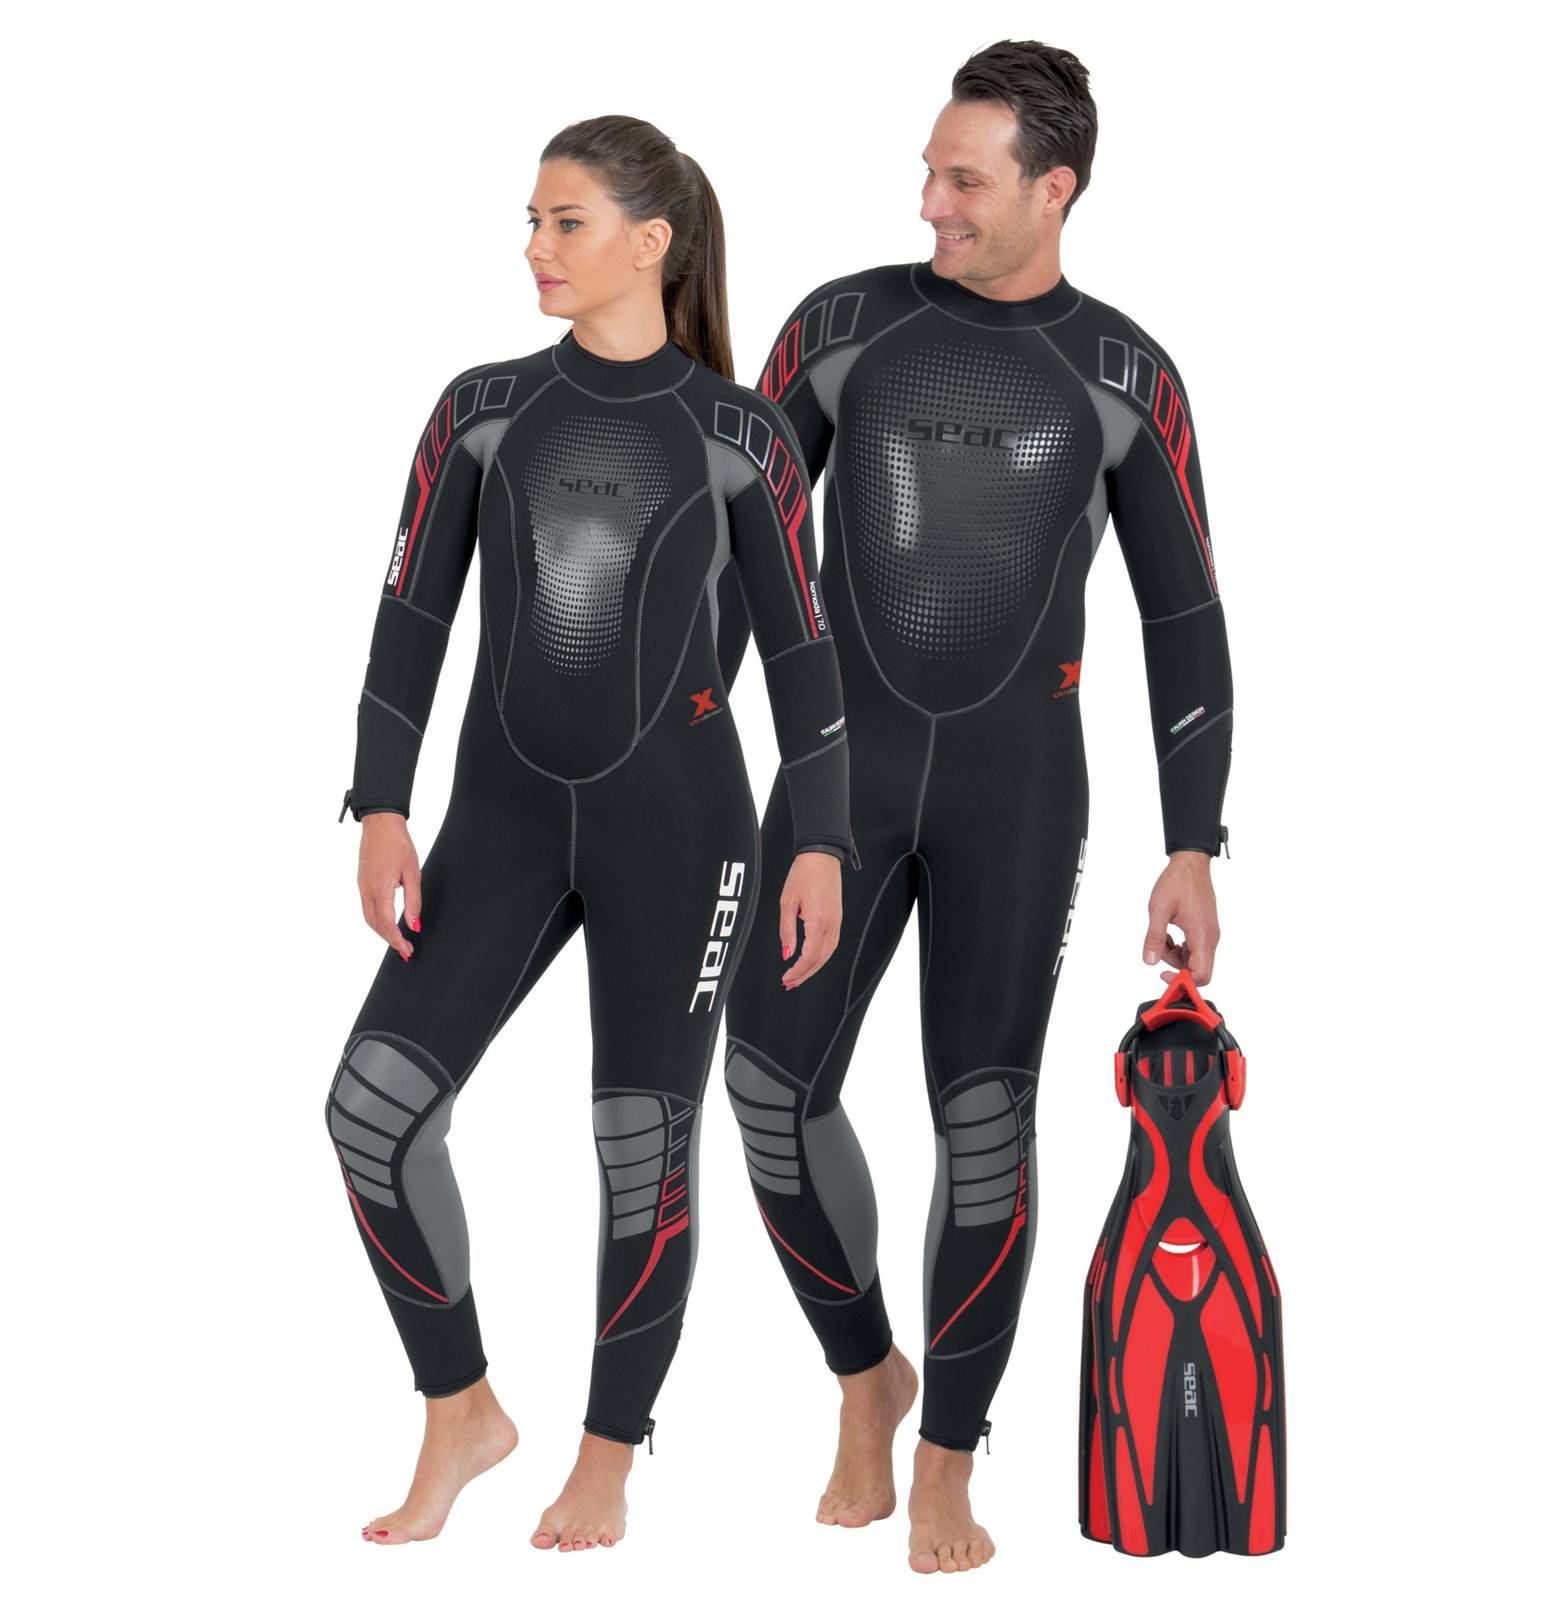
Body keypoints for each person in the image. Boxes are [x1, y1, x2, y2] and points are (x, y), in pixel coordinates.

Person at [715, 41, 1234, 1574]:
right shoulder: (842, 328)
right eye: (928, 171)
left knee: (984, 1122)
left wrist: (1192, 840)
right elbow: (738, 553)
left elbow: (1186, 616)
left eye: (965, 179)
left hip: (1019, 794)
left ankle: (947, 1454)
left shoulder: (1126, 375)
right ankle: (864, 1374)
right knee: (768, 1086)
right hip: (841, 784)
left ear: (1052, 188)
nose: (930, 203)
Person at [327, 114, 850, 1553]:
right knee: (370, 1110)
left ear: (649, 243)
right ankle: (461, 1408)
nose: (536, 247)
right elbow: (411, 616)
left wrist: (821, 843)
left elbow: (804, 659)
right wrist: (382, 803)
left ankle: (609, 1451)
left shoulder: (739, 434)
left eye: (565, 222)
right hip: (498, 822)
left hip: (683, 833)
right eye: (533, 220)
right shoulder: (481, 410)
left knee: (643, 1144)